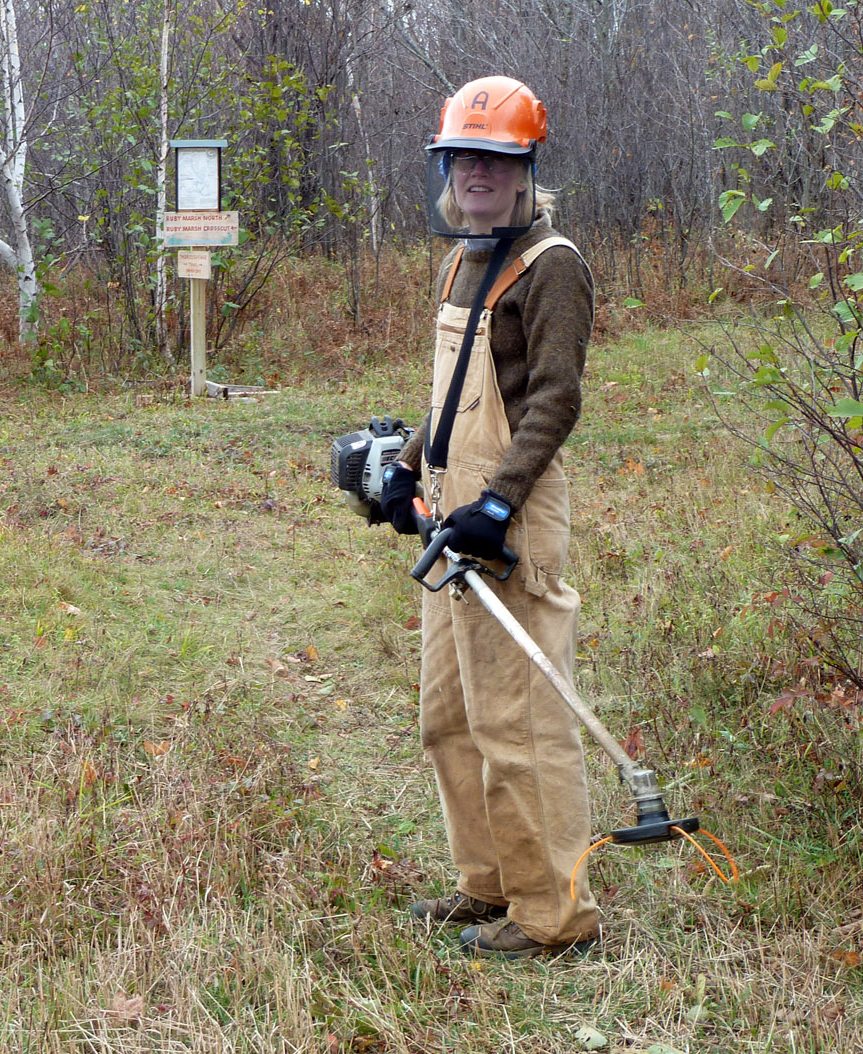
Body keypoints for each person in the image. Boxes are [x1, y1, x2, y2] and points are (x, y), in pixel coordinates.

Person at [378, 76, 601, 958]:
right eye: (464, 156)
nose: (477, 171)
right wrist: (405, 471)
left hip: (509, 521)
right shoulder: (464, 254)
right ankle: (488, 886)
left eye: (496, 157)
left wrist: (498, 502)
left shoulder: (554, 266)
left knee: (523, 726)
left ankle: (554, 916)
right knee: (450, 717)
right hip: (452, 517)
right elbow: (452, 391)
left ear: (524, 168)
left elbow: (554, 398)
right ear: (447, 164)